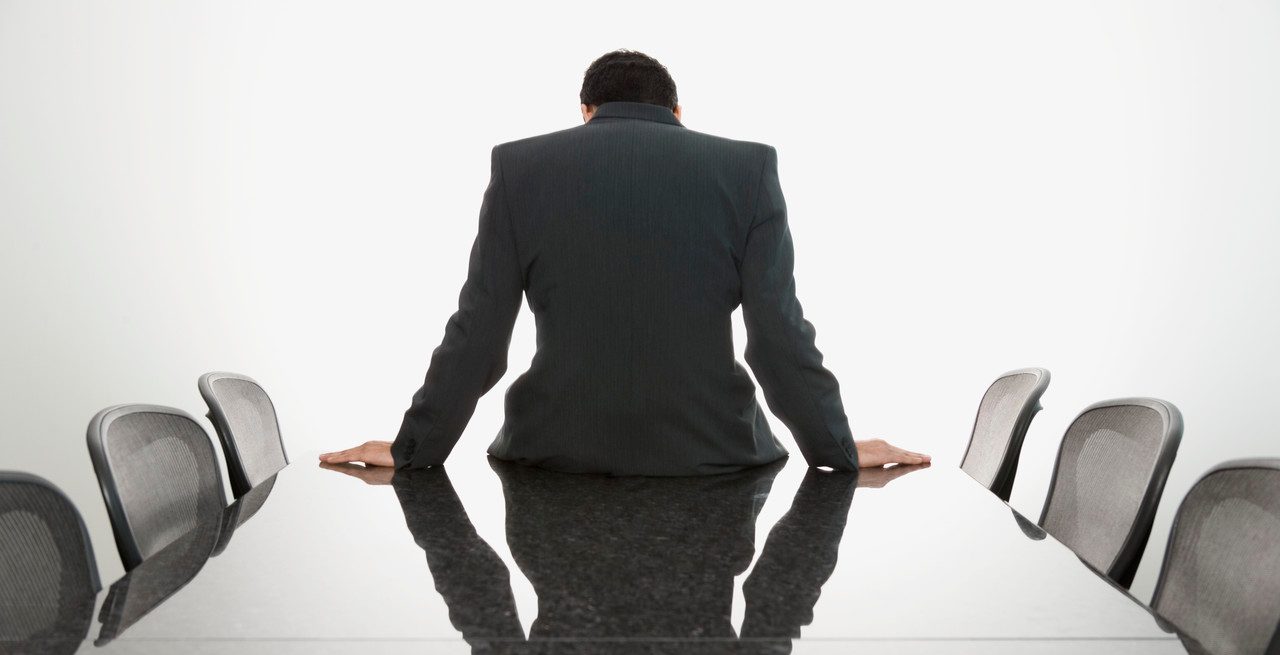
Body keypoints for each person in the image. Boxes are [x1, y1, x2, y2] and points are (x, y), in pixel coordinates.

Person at [321, 50, 929, 474]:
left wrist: (414, 448)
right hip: (715, 459)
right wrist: (835, 449)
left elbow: (478, 332)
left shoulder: (519, 169)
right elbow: (778, 333)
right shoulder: (748, 170)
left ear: (583, 111)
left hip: (552, 458)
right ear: (678, 113)